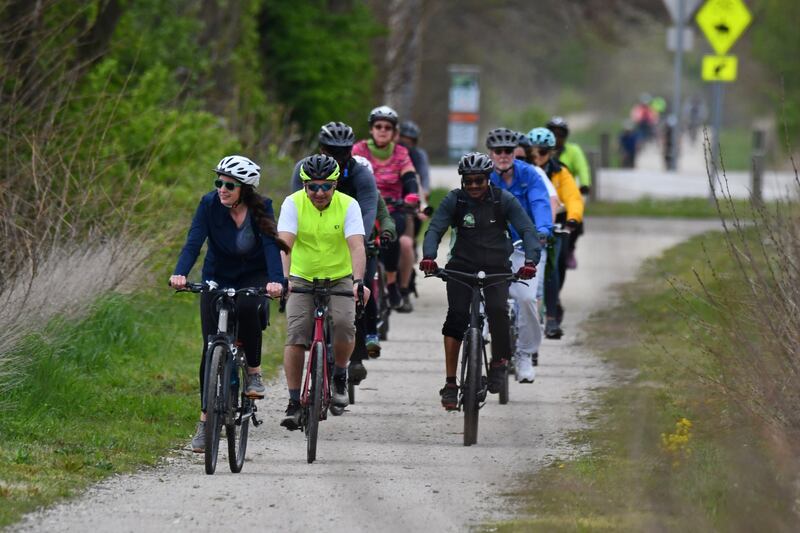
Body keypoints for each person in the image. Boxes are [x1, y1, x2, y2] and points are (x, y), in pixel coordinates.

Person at [169, 155, 287, 453]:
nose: (222, 188)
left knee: (248, 310)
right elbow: (194, 241)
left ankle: (255, 374)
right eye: (219, 182)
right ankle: (206, 421)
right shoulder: (209, 204)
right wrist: (180, 272)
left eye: (229, 185)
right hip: (217, 275)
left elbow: (272, 246)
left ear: (244, 189)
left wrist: (276, 281)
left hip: (253, 275)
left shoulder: (263, 207)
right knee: (210, 348)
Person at [419, 152, 541, 410]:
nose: (474, 186)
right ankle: (451, 383)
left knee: (498, 311)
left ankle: (499, 362)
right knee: (456, 318)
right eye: (469, 181)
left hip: (497, 267)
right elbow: (435, 229)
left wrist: (531, 261)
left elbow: (527, 229)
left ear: (488, 179)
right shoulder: (455, 200)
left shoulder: (503, 200)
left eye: (479, 180)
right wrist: (429, 257)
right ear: (463, 181)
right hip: (461, 267)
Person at [277, 154, 370, 430]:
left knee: (343, 324)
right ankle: (294, 401)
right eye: (313, 186)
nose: (319, 192)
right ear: (304, 185)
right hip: (302, 277)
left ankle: (340, 373)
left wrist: (358, 281)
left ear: (336, 184)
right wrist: (283, 279)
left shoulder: (348, 205)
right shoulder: (292, 203)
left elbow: (356, 246)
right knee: (296, 336)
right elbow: (285, 244)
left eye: (326, 186)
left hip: (339, 277)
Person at [290, 121, 378, 380]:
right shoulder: (304, 169)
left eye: (343, 151)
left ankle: (357, 356)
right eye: (331, 151)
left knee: (362, 290)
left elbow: (369, 209)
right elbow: (297, 209)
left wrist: (359, 240)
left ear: (351, 150)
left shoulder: (361, 172)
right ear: (321, 148)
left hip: (352, 237)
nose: (337, 157)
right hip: (315, 241)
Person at [485, 128, 552, 382]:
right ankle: (478, 334)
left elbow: (540, 203)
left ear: (516, 152)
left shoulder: (530, 174)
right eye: (498, 151)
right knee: (478, 292)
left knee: (526, 299)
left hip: (524, 246)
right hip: (491, 246)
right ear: (490, 153)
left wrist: (543, 230)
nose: (503, 156)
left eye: (508, 151)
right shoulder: (483, 174)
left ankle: (524, 354)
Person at [353, 105, 419, 313]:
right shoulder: (358, 150)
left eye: (387, 127)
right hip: (363, 206)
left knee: (392, 235)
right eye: (378, 126)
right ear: (371, 129)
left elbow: (409, 178)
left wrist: (412, 195)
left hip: (392, 207)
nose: (383, 130)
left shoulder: (401, 153)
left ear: (394, 132)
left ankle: (391, 282)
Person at [528, 127, 584, 340]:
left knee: (553, 266)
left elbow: (573, 198)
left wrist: (573, 219)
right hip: (528, 224)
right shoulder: (522, 170)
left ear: (551, 153)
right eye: (533, 153)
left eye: (542, 152)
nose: (538, 157)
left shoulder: (561, 172)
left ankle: (551, 317)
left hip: (556, 225)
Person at [547, 116, 587, 271]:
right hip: (543, 203)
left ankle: (570, 247)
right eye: (553, 134)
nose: (556, 138)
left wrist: (584, 184)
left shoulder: (573, 152)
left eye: (560, 135)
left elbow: (583, 168)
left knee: (577, 217)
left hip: (563, 203)